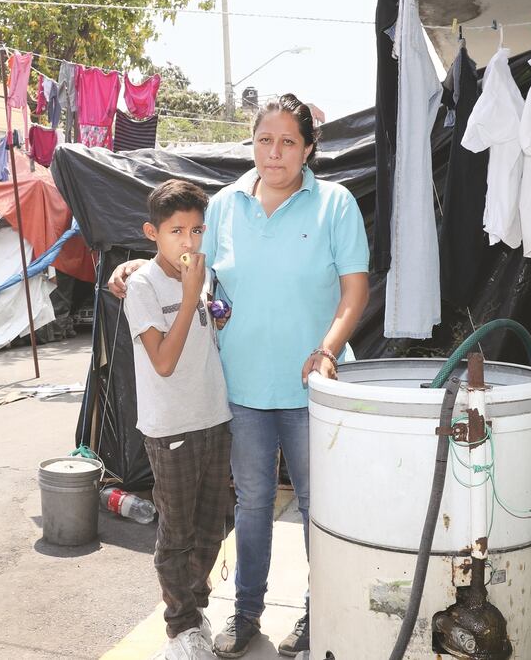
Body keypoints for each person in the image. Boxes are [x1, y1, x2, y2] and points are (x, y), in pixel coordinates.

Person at [110, 95, 370, 658]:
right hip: (242, 391)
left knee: (317, 506)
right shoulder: (225, 206)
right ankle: (247, 612)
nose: (274, 154)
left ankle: (314, 614)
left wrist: (327, 349)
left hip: (312, 388)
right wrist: (134, 265)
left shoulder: (335, 205)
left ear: (308, 149)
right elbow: (187, 259)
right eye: (263, 141)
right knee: (252, 505)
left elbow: (354, 292)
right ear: (251, 144)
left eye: (288, 143)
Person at [123, 180, 233, 660]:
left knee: (213, 525)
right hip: (170, 428)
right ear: (153, 232)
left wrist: (208, 304)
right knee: (177, 533)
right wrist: (189, 297)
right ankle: (180, 629)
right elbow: (163, 362)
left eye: (195, 230)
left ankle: (195, 610)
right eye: (175, 232)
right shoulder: (142, 287)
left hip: (214, 415)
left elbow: (203, 338)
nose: (187, 243)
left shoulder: (203, 276)